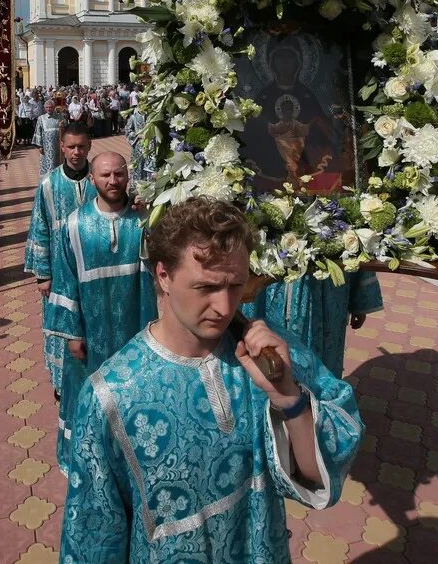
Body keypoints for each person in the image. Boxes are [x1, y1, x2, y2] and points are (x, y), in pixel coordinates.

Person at [59, 197, 363, 562]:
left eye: (235, 285)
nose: (224, 307)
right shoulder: (110, 395)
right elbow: (93, 538)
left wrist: (288, 398)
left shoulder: (269, 358)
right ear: (164, 276)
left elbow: (320, 476)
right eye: (205, 288)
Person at [43, 152, 156, 469]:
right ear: (92, 179)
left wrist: (153, 218)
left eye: (119, 174)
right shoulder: (75, 226)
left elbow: (164, 263)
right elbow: (65, 281)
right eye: (105, 175)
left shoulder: (142, 221)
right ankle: (90, 459)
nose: (113, 181)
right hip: (92, 335)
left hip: (138, 325)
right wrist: (72, 334)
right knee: (91, 395)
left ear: (127, 177)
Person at [26, 123, 92, 392]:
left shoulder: (99, 179)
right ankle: (62, 381)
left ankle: (92, 376)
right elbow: (39, 227)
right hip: (58, 270)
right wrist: (43, 274)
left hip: (93, 267)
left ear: (89, 147)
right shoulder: (48, 183)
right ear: (62, 147)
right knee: (62, 322)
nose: (76, 152)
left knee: (92, 320)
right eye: (71, 147)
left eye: (81, 146)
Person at [246, 270, 383, 379]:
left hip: (325, 293)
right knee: (263, 355)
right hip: (268, 284)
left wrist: (360, 300)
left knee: (323, 367)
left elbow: (355, 249)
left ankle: (320, 407)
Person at [32, 99, 64, 175]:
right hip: (47, 147)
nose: (49, 109)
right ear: (44, 108)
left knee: (59, 165)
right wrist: (40, 146)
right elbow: (38, 132)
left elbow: (65, 130)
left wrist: (62, 126)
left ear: (54, 107)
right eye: (47, 107)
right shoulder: (41, 118)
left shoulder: (60, 117)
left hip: (58, 146)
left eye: (50, 107)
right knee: (48, 166)